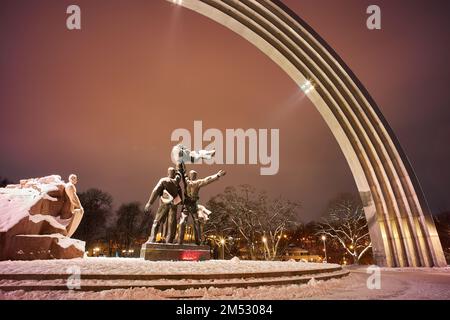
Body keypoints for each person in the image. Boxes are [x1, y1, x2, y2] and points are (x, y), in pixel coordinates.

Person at [177, 169, 226, 245]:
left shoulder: (198, 182)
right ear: (190, 175)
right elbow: (182, 171)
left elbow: (207, 180)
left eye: (194, 175)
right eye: (192, 175)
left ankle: (198, 241)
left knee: (197, 222)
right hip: (186, 204)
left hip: (194, 204)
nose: (193, 176)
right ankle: (179, 241)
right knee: (182, 221)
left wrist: (217, 175)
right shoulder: (186, 181)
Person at [145, 167, 182, 244]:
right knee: (172, 222)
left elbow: (155, 191)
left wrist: (150, 203)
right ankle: (169, 240)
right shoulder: (176, 181)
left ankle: (152, 238)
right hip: (173, 204)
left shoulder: (164, 180)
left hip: (165, 204)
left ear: (168, 173)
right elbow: (179, 174)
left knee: (158, 220)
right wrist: (179, 165)